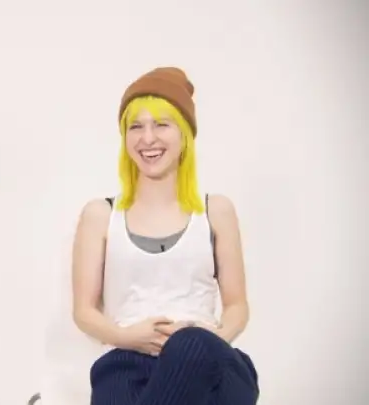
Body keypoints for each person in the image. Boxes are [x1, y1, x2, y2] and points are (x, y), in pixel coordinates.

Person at [70, 67, 259, 405]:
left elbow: (237, 305)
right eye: (136, 127)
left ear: (184, 134)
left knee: (188, 344)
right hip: (126, 361)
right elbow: (84, 311)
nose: (148, 138)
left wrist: (213, 336)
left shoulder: (216, 211)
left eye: (161, 125)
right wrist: (128, 337)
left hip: (208, 361)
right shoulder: (100, 216)